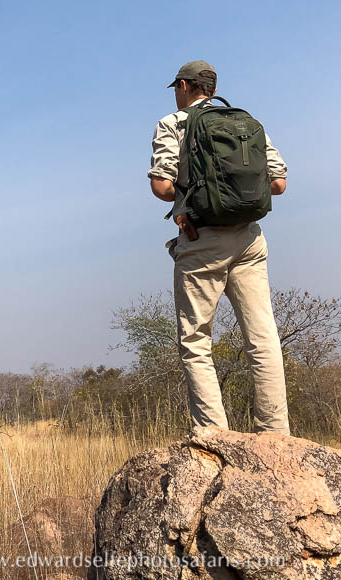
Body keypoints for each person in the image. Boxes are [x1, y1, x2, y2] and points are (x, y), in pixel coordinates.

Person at [147, 60, 291, 435]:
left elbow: (162, 189)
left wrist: (192, 194)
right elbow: (278, 184)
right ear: (211, 88)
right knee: (262, 337)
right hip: (249, 239)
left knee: (195, 340)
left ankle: (213, 435)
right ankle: (275, 434)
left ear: (183, 85)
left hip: (200, 239)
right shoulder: (248, 123)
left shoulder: (173, 124)